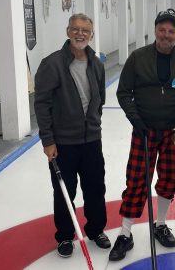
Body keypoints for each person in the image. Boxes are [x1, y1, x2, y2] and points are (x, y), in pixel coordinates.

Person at [109, 8, 175, 261]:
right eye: (162, 30)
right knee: (137, 181)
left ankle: (160, 224)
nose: (166, 35)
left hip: (174, 133)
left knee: (170, 179)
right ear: (155, 30)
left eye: (171, 31)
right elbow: (124, 92)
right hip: (144, 131)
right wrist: (136, 120)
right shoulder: (138, 58)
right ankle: (125, 233)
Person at [34, 13, 110, 258]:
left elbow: (100, 98)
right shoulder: (52, 63)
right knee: (64, 191)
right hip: (64, 143)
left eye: (85, 30)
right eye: (75, 29)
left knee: (95, 187)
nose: (80, 34)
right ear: (68, 32)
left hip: (91, 140)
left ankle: (96, 229)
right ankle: (65, 236)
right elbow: (42, 104)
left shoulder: (97, 64)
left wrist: (93, 124)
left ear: (91, 34)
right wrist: (48, 139)